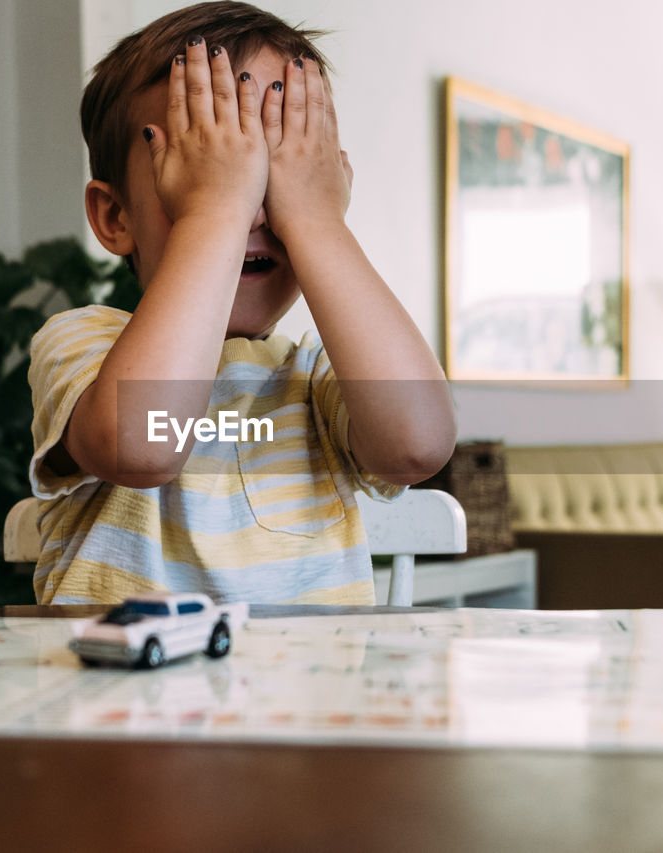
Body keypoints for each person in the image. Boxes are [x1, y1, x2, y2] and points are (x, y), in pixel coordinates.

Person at [27, 1, 456, 605]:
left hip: (304, 697)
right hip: (124, 696)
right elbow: (143, 446)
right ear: (115, 216)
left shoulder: (315, 380)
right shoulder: (83, 344)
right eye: (208, 168)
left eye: (278, 173)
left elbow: (419, 444)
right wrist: (215, 213)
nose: (253, 209)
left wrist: (316, 220)